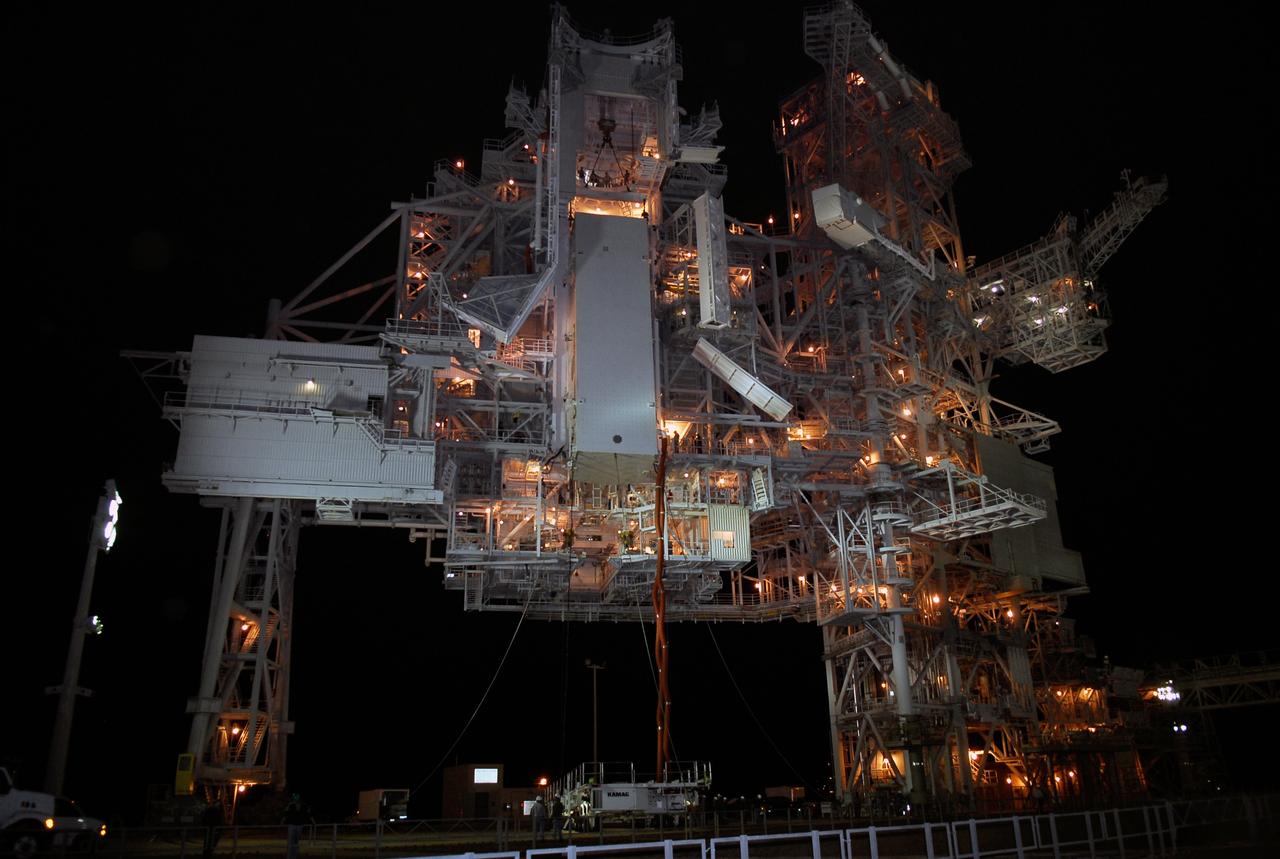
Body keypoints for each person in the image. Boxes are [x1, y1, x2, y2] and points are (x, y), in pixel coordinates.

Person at [282, 793, 312, 859]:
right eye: (295, 798)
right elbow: (285, 813)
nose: (296, 800)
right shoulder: (291, 805)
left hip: (299, 825)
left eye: (297, 798)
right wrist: (283, 821)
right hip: (292, 825)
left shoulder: (304, 806)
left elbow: (308, 814)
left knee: (296, 841)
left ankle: (295, 856)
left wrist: (313, 822)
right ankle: (289, 856)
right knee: (290, 841)